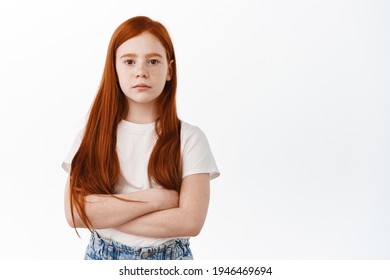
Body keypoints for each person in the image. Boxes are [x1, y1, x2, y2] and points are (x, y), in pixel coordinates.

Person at [62, 16, 220, 260]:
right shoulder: (92, 134)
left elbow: (190, 221)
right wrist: (158, 199)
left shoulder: (190, 139)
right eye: (129, 61)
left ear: (170, 70)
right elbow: (75, 213)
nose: (141, 72)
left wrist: (106, 215)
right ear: (114, 69)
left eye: (153, 61)